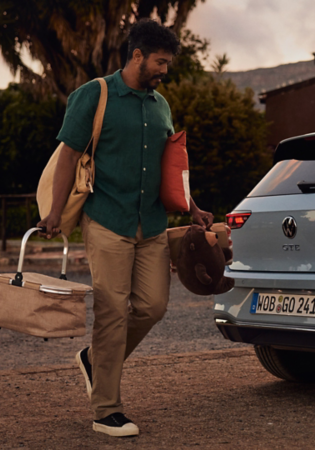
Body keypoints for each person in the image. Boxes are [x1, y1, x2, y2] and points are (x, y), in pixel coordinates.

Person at [37, 19, 213, 437]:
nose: (164, 71)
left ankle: (94, 360)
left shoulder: (160, 106)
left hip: (151, 224)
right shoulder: (94, 96)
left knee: (152, 307)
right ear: (137, 56)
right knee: (113, 311)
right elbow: (67, 157)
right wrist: (55, 212)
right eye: (159, 62)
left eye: (167, 64)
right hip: (107, 219)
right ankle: (106, 409)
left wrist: (193, 207)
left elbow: (170, 168)